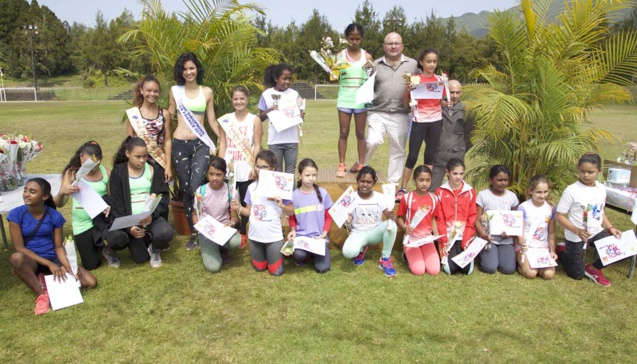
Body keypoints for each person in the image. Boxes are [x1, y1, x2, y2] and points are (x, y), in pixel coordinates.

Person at [9, 178, 97, 315]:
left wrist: (69, 266)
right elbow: (19, 248)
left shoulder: (55, 216)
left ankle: (43, 278)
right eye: (25, 190)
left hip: (52, 256)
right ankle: (42, 294)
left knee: (90, 282)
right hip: (32, 260)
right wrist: (50, 265)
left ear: (44, 196)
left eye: (32, 192)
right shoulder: (16, 214)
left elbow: (59, 247)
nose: (26, 194)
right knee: (16, 258)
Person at [168, 52, 220, 250]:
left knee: (197, 184)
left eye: (192, 68)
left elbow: (212, 120)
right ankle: (194, 233)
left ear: (197, 69)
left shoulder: (207, 92)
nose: (189, 72)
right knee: (187, 189)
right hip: (180, 144)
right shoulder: (175, 91)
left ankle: (205, 227)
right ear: (180, 72)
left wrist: (223, 136)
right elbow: (169, 115)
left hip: (201, 144)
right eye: (185, 69)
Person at [105, 137, 173, 268]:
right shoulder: (118, 172)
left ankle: (154, 248)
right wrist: (129, 228)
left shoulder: (154, 170)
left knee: (165, 232)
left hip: (149, 217)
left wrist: (152, 215)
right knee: (140, 258)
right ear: (127, 154)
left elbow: (163, 197)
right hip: (128, 220)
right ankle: (112, 249)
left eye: (145, 156)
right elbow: (117, 203)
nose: (142, 160)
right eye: (137, 156)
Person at [556, 153, 622, 287]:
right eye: (582, 171)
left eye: (590, 172)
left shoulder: (601, 189)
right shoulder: (572, 191)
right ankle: (563, 251)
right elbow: (559, 216)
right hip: (576, 236)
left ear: (599, 172)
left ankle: (593, 268)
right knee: (577, 274)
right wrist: (577, 230)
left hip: (596, 231)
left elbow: (600, 212)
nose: (586, 175)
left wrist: (610, 228)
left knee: (621, 247)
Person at [363, 32, 418, 189]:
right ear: (383, 46)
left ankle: (392, 185)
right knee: (372, 140)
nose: (393, 46)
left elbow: (420, 84)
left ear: (402, 46)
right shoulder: (374, 64)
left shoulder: (413, 64)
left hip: (401, 113)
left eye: (396, 43)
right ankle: (362, 165)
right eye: (389, 43)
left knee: (398, 150)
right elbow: (366, 86)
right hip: (377, 111)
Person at [232, 150, 293, 276]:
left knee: (276, 272)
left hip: (273, 236)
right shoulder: (251, 188)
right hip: (255, 236)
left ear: (273, 168)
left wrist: (281, 205)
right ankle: (264, 256)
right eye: (258, 166)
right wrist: (238, 207)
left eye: (265, 167)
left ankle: (275, 253)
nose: (260, 170)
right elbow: (248, 212)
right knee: (259, 268)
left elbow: (292, 211)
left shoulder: (280, 187)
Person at [54, 141, 111, 270]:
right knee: (92, 265)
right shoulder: (72, 174)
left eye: (94, 164)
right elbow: (59, 203)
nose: (90, 168)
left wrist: (108, 206)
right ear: (80, 157)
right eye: (86, 163)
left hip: (101, 221)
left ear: (100, 161)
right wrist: (63, 192)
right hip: (82, 224)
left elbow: (112, 198)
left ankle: (106, 245)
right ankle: (99, 248)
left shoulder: (106, 172)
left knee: (114, 237)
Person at [217, 85, 262, 249]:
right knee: (228, 199)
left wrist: (254, 166)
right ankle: (230, 229)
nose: (239, 101)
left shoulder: (254, 119)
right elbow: (222, 143)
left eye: (242, 98)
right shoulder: (225, 119)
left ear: (247, 99)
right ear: (232, 100)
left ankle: (244, 232)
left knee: (245, 201)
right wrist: (220, 165)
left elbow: (257, 145)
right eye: (236, 98)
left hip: (247, 166)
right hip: (229, 165)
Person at [397, 48, 446, 198]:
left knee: (430, 156)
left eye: (434, 61)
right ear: (421, 62)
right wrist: (406, 91)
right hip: (419, 120)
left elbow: (442, 102)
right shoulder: (414, 79)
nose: (432, 64)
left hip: (436, 121)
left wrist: (447, 103)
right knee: (412, 156)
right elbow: (406, 104)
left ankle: (427, 189)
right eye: (429, 61)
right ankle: (403, 189)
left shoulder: (440, 80)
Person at [342, 166, 398, 277]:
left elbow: (388, 216)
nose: (365, 184)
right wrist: (347, 222)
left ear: (374, 182)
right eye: (362, 181)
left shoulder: (380, 197)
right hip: (358, 233)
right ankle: (361, 250)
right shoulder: (350, 198)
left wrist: (391, 216)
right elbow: (346, 226)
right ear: (357, 181)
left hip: (374, 233)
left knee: (392, 225)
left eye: (369, 182)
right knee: (348, 253)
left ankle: (385, 259)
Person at [335, 23, 374, 177]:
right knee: (343, 132)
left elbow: (372, 79)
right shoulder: (340, 55)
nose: (355, 42)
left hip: (361, 99)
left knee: (360, 133)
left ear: (361, 39)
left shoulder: (367, 57)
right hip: (344, 98)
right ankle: (341, 165)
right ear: (347, 38)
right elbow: (335, 76)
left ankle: (361, 164)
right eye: (352, 38)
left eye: (358, 39)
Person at [396, 165, 447, 276]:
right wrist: (405, 228)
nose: (424, 184)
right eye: (421, 180)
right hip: (412, 240)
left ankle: (422, 254)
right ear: (414, 180)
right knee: (419, 271)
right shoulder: (407, 198)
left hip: (427, 239)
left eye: (428, 180)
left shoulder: (434, 199)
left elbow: (433, 218)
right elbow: (398, 217)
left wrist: (436, 235)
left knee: (434, 271)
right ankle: (406, 254)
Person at [193, 157, 240, 273]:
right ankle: (208, 245)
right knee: (214, 267)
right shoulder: (201, 191)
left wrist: (232, 222)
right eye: (211, 174)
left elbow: (234, 217)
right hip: (207, 231)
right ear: (207, 174)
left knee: (236, 241)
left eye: (218, 175)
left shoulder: (231, 191)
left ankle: (222, 248)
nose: (214, 178)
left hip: (223, 229)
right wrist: (199, 226)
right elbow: (195, 214)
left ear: (224, 174)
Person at [287, 158, 334, 273]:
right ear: (299, 175)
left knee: (323, 268)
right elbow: (292, 217)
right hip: (302, 237)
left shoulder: (323, 193)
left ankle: (314, 254)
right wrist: (293, 230)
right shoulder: (294, 196)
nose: (311, 178)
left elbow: (329, 216)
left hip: (319, 238)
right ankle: (306, 256)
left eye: (314, 175)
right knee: (298, 255)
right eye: (307, 175)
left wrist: (324, 233)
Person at [126, 75, 172, 182]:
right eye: (149, 90)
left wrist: (168, 166)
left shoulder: (164, 114)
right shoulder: (133, 114)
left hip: (159, 162)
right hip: (139, 163)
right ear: (141, 91)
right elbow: (129, 142)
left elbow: (168, 140)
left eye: (156, 91)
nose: (152, 94)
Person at [258, 63, 302, 174]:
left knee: (290, 172)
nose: (287, 81)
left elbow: (300, 113)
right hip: (275, 141)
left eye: (289, 78)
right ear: (276, 78)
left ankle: (291, 192)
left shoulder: (294, 94)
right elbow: (260, 118)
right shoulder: (267, 94)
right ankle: (277, 193)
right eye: (284, 78)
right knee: (276, 172)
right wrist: (270, 111)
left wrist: (301, 115)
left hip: (291, 140)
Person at [430, 80, 474, 192]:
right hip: (438, 155)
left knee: (456, 189)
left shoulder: (467, 111)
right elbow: (428, 132)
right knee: (433, 189)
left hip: (457, 156)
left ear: (461, 93)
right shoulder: (436, 107)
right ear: (445, 91)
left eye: (457, 92)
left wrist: (462, 149)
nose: (454, 96)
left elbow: (470, 134)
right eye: (451, 92)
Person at [436, 158, 478, 275]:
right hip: (448, 237)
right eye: (455, 173)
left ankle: (464, 248)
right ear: (447, 172)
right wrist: (443, 241)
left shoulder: (470, 191)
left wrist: (467, 239)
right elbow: (440, 219)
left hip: (463, 236)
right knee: (450, 270)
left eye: (461, 173)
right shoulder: (440, 192)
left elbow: (472, 217)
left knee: (467, 270)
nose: (458, 177)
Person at [475, 165, 519, 274]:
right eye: (499, 180)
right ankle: (485, 255)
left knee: (508, 269)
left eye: (506, 180)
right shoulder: (483, 195)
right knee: (490, 268)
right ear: (491, 180)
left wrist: (510, 233)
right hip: (489, 239)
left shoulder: (512, 197)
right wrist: (483, 234)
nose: (503, 183)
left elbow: (515, 220)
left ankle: (499, 255)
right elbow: (477, 220)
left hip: (506, 240)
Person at [516, 174, 557, 280]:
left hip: (542, 247)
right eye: (539, 192)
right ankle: (520, 264)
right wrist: (522, 244)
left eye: (545, 192)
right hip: (526, 247)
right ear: (531, 191)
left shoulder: (551, 208)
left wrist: (552, 251)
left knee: (548, 274)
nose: (542, 195)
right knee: (531, 274)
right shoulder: (523, 207)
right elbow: (520, 231)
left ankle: (537, 267)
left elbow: (551, 232)